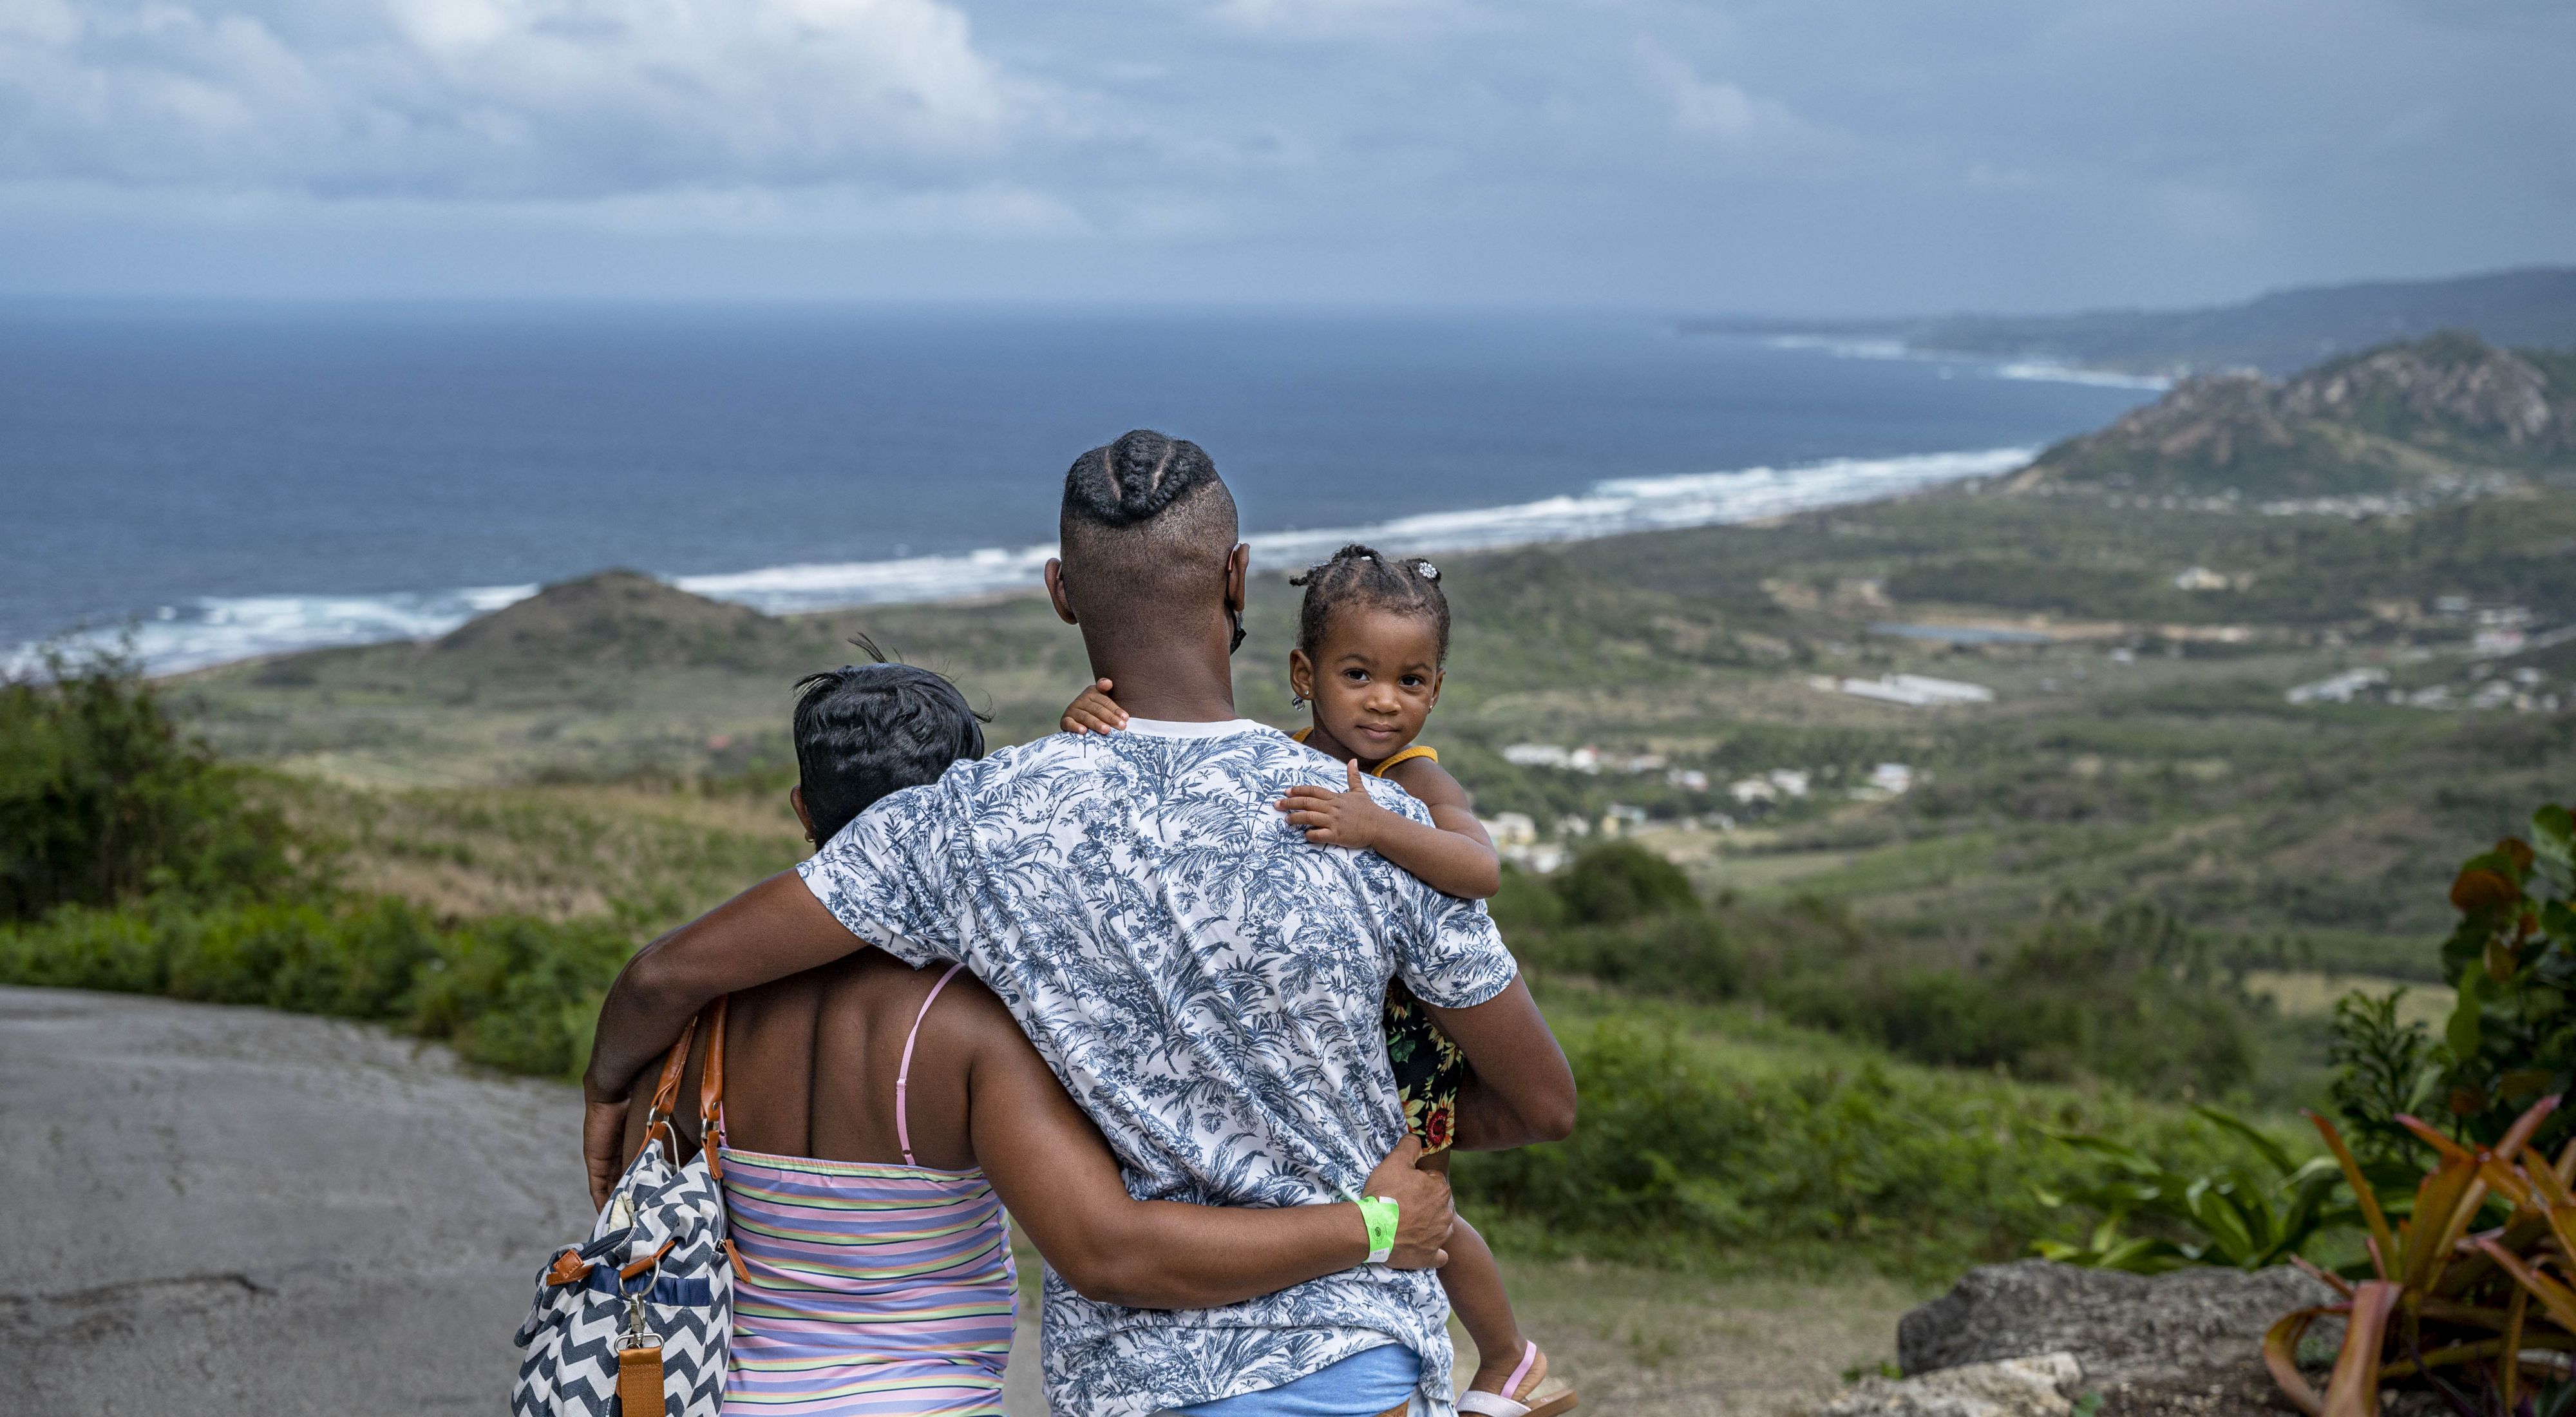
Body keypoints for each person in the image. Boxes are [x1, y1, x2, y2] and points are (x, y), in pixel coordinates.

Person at [582, 430, 1577, 1417]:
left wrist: (606, 1090)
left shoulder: (968, 825)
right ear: (1237, 579)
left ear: (1062, 592)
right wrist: (1383, 1156)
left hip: (1132, 1386)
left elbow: (668, 976)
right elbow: (1542, 1103)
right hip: (1354, 1361)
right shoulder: (1383, 829)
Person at [620, 652, 1457, 1416]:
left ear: (804, 808)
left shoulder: (707, 1023)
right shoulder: (968, 1025)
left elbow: (638, 1207)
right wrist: (1377, 1225)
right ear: (965, 811)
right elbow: (1106, 1248)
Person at [1061, 544, 1572, 1417]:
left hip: (1405, 1049)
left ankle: (1507, 1357)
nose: (1384, 700)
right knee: (1352, 1203)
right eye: (1359, 673)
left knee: (1417, 1212)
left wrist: (1379, 825)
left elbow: (1479, 868)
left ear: (1436, 692)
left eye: (1411, 682)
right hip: (1324, 1042)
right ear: (1305, 674)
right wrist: (1088, 717)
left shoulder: (1413, 777)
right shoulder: (1275, 757)